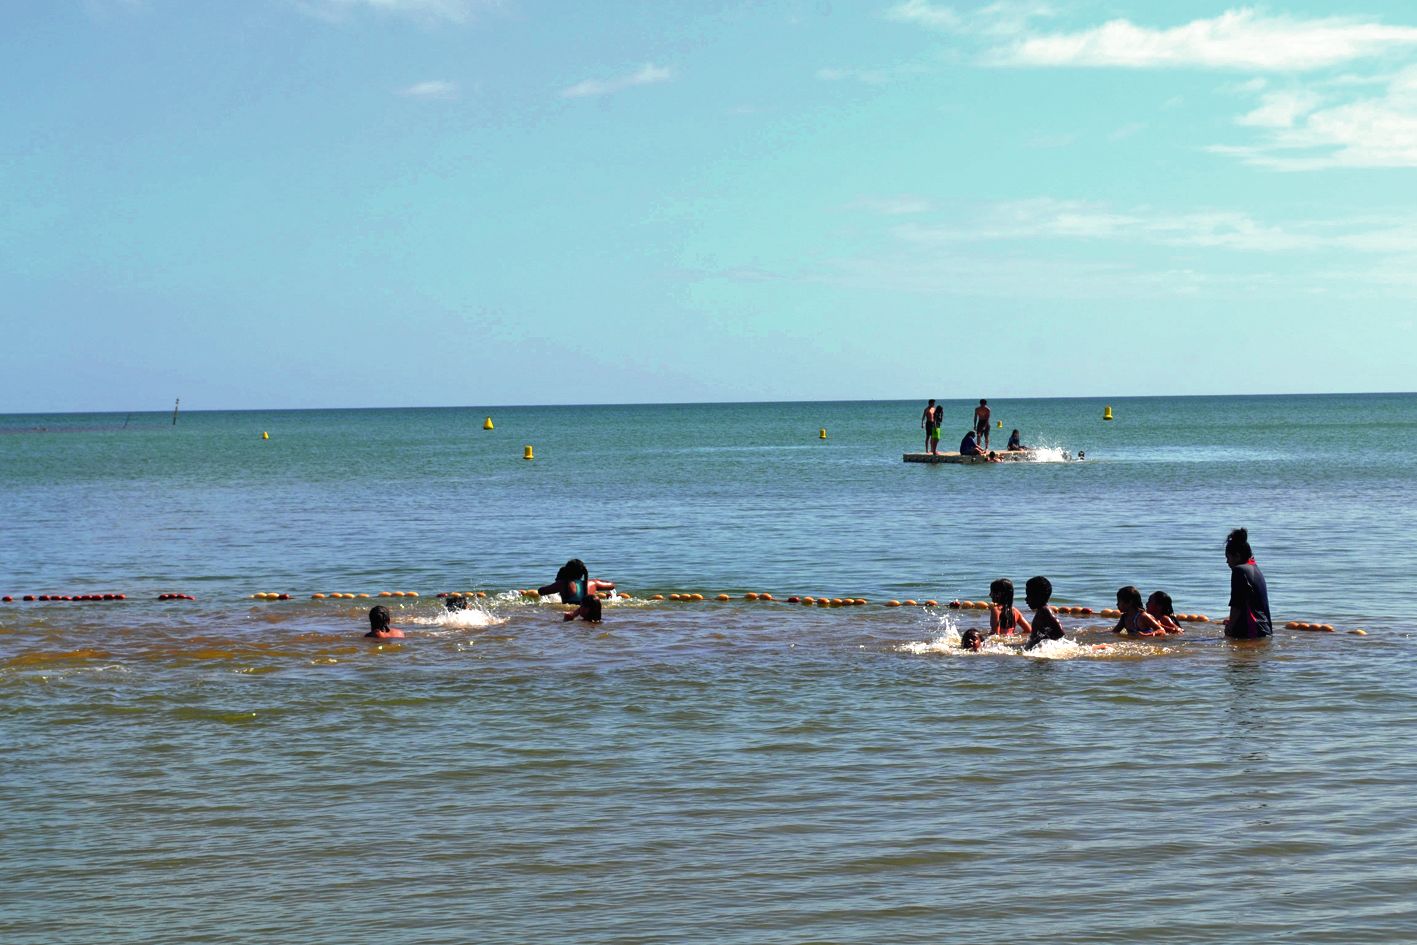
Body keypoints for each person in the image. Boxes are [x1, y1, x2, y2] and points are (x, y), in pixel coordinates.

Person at [1223, 528, 1272, 639]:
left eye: (1228, 557)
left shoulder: (1239, 571)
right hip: (1264, 629)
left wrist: (1230, 627)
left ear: (1237, 556)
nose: (1227, 562)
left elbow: (1237, 604)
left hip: (1251, 631)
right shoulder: (1255, 568)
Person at [538, 558, 615, 605]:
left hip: (569, 611)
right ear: (582, 572)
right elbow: (612, 585)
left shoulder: (562, 583)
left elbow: (541, 591)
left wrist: (559, 579)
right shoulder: (593, 583)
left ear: (566, 571)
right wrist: (598, 581)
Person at [1023, 576, 1065, 650]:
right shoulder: (1041, 611)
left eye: (1028, 595)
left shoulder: (1045, 611)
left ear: (1038, 596)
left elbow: (1060, 632)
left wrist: (1047, 643)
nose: (1026, 599)